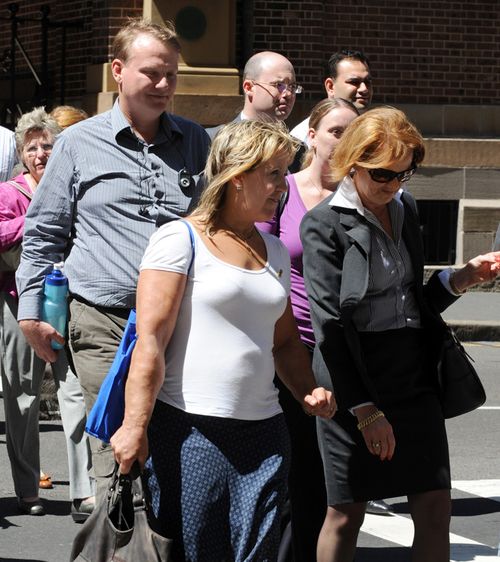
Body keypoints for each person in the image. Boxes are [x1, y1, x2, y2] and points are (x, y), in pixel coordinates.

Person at [111, 120, 336, 561]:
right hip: (192, 431)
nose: (282, 187)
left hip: (267, 434)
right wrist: (135, 426)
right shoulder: (179, 240)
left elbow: (286, 342)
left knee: (259, 552)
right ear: (237, 176)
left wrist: (307, 390)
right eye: (272, 174)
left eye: (284, 173)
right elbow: (150, 341)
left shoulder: (273, 251)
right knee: (198, 551)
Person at [16, 19, 210, 499]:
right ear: (118, 71)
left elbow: (214, 227)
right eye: (151, 73)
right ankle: (121, 544)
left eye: (171, 74)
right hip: (104, 320)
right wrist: (30, 312)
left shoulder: (195, 142)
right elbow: (43, 233)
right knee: (122, 453)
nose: (164, 85)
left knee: (175, 449)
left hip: (179, 323)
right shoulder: (78, 144)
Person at [300, 106, 500, 562]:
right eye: (382, 176)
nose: (393, 186)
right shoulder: (323, 225)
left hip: (412, 373)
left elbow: (411, 299)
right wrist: (366, 410)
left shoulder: (404, 207)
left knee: (434, 507)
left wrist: (462, 278)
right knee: (346, 512)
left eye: (403, 175)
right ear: (352, 164)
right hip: (352, 376)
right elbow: (329, 326)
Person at [257, 98, 359, 561]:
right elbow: (256, 258)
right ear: (311, 135)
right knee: (292, 471)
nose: (343, 141)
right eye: (335, 130)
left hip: (343, 352)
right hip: (290, 350)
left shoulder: (364, 196)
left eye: (351, 133)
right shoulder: (284, 192)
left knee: (331, 480)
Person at [0, 107, 94, 517]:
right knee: (22, 397)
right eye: (32, 147)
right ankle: (27, 488)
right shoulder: (8, 194)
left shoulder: (74, 187)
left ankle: (83, 489)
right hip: (18, 304)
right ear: (22, 155)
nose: (40, 153)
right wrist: (37, 219)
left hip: (69, 304)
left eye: (47, 145)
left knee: (74, 392)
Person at [206, 51, 302, 141]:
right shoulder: (213, 139)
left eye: (292, 86)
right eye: (279, 85)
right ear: (249, 88)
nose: (288, 94)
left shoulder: (297, 149)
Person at [291, 49, 372, 145]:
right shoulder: (300, 138)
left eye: (367, 82)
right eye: (354, 82)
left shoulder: (375, 132)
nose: (364, 89)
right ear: (330, 86)